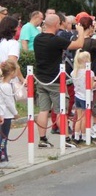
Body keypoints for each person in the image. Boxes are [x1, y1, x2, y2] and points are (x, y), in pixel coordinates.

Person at [33, 15, 85, 147]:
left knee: (44, 110)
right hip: (55, 80)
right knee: (61, 110)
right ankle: (66, 139)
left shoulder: (37, 39)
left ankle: (42, 139)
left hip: (41, 79)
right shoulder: (56, 40)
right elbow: (79, 44)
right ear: (57, 24)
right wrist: (80, 31)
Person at [0, 60, 19, 165]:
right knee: (4, 137)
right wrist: (15, 113)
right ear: (12, 72)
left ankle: (4, 156)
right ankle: (3, 157)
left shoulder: (2, 85)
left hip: (3, 114)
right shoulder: (6, 87)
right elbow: (9, 102)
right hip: (6, 115)